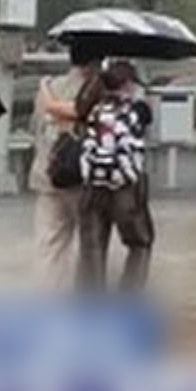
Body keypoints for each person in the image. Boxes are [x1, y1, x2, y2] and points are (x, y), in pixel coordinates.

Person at [74, 60, 154, 292]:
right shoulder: (134, 111)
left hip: (93, 185)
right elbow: (145, 118)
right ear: (127, 84)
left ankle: (91, 304)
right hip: (125, 186)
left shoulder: (92, 110)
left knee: (93, 247)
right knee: (140, 242)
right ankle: (127, 298)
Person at [32, 42, 105, 289]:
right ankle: (86, 297)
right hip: (81, 178)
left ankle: (47, 297)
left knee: (49, 243)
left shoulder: (49, 87)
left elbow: (36, 126)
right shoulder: (95, 90)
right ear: (94, 63)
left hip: (47, 173)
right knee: (90, 241)